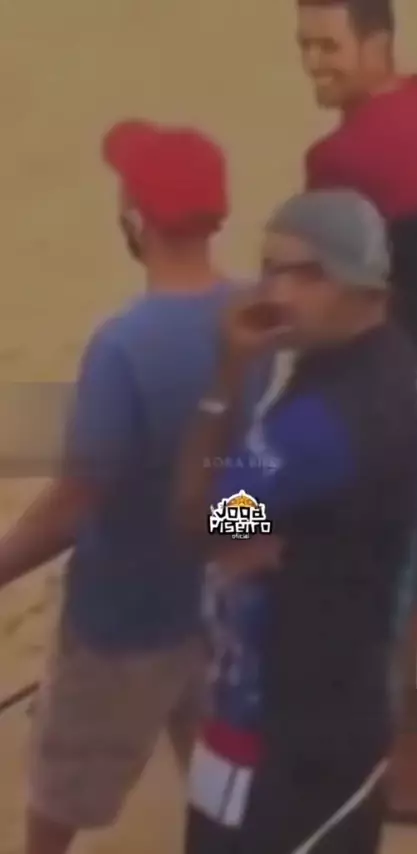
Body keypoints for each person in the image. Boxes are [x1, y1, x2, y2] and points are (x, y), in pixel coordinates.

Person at [0, 120, 259, 854]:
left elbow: (76, 499)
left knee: (61, 792)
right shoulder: (254, 312)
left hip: (121, 617)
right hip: (215, 600)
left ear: (137, 219)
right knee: (217, 779)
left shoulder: (123, 346)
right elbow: (251, 462)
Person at [174, 189, 417, 854]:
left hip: (283, 736)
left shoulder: (318, 427)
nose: (277, 293)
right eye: (270, 268)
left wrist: (226, 376)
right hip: (323, 705)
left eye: (307, 274)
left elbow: (199, 521)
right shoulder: (395, 361)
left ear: (363, 285)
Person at [295, 0, 417, 821]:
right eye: (304, 46)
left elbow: (324, 302)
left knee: (399, 595)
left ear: (377, 41)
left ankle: (414, 772)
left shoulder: (337, 159)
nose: (312, 62)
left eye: (327, 45)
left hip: (390, 410)